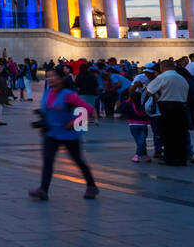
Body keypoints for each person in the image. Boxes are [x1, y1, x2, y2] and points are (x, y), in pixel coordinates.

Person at [28, 65, 100, 200]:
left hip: (69, 134)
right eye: (48, 76)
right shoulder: (48, 92)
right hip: (51, 134)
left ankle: (92, 186)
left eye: (53, 76)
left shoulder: (69, 95)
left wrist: (74, 122)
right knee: (48, 161)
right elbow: (47, 110)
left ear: (61, 79)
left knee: (78, 160)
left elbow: (89, 110)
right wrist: (42, 123)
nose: (50, 79)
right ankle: (43, 190)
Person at [145, 59, 190, 166]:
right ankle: (181, 159)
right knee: (180, 134)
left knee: (167, 134)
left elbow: (149, 91)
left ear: (162, 67)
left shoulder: (162, 77)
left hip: (166, 107)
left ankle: (169, 158)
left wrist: (158, 95)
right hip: (181, 107)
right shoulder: (181, 78)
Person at [117, 85, 151, 162]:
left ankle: (138, 155)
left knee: (139, 141)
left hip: (133, 125)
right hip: (143, 125)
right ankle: (143, 155)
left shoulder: (128, 104)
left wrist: (127, 100)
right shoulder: (143, 105)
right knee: (142, 140)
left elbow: (120, 109)